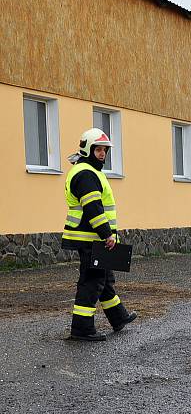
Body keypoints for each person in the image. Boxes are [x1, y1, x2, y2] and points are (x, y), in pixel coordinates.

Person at [62, 128, 137, 341]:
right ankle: (82, 329)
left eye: (105, 150)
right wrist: (107, 234)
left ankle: (118, 317)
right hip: (90, 238)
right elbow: (93, 208)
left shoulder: (91, 171)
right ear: (88, 150)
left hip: (94, 238)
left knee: (104, 278)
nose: (103, 154)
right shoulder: (85, 173)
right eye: (99, 150)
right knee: (91, 281)